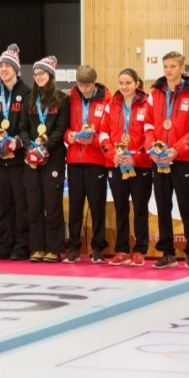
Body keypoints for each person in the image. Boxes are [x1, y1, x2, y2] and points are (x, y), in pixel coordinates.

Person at [145, 51, 189, 270]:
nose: (168, 71)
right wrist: (151, 147)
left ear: (182, 68)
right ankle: (167, 252)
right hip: (160, 158)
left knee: (188, 206)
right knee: (163, 206)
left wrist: (178, 150)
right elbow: (148, 124)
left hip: (183, 159)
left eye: (172, 66)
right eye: (165, 67)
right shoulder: (154, 93)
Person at [19, 55, 69, 262]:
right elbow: (22, 127)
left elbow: (61, 128)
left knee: (52, 204)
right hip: (31, 159)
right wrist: (31, 146)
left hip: (53, 158)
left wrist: (45, 148)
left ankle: (54, 249)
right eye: (36, 74)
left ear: (50, 75)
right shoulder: (29, 99)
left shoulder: (62, 98)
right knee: (34, 204)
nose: (39, 77)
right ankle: (37, 247)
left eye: (42, 73)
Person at [103, 68, 154, 267]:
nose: (124, 87)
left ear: (137, 84)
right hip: (116, 164)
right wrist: (112, 154)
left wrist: (137, 156)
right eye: (121, 83)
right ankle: (122, 250)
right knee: (120, 208)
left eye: (128, 83)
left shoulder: (148, 104)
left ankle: (140, 250)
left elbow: (151, 134)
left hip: (139, 164)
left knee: (140, 208)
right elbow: (103, 133)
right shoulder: (111, 104)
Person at [0, 43, 30, 260]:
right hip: (0, 161)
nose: (3, 69)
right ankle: (4, 244)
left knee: (21, 204)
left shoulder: (28, 93)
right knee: (2, 204)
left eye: (8, 65)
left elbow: (29, 127)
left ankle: (21, 246)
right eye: (1, 66)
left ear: (16, 69)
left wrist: (17, 143)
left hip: (20, 161)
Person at [63, 65, 109, 263]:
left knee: (97, 206)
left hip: (96, 160)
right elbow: (62, 126)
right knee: (75, 206)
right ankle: (73, 247)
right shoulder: (70, 98)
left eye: (88, 85)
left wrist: (95, 140)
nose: (85, 89)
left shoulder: (107, 100)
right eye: (81, 85)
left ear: (95, 82)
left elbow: (109, 130)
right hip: (74, 159)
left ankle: (98, 247)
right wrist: (70, 136)